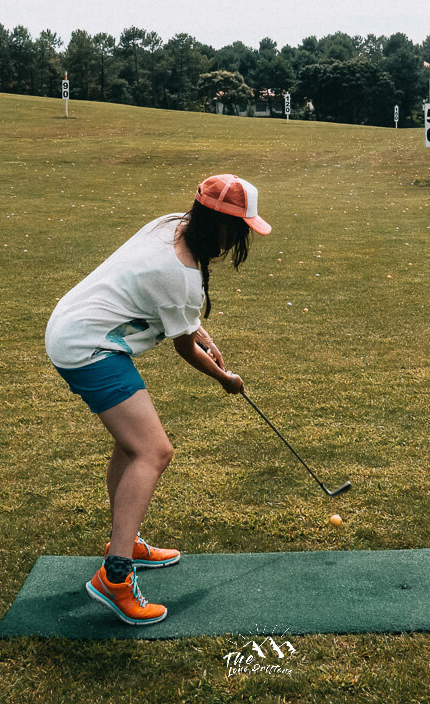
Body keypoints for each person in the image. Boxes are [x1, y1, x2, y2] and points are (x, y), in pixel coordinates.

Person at [44, 174, 271, 625]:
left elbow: (169, 310)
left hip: (76, 327)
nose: (240, 238)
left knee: (132, 446)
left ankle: (121, 544)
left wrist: (196, 327)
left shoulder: (170, 225)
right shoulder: (182, 275)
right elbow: (183, 345)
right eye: (241, 228)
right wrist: (225, 377)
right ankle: (115, 577)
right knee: (154, 450)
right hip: (89, 347)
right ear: (223, 228)